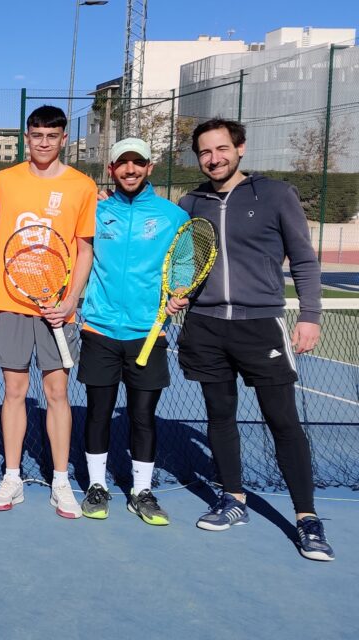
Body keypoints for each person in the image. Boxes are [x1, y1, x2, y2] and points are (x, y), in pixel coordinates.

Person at [175, 118, 333, 561]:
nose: (214, 159)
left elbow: (303, 259)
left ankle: (307, 519)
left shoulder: (276, 195)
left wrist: (310, 317)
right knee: (220, 417)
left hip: (261, 324)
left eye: (222, 149)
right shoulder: (192, 202)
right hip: (206, 326)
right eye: (205, 152)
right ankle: (233, 499)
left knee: (283, 420)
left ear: (240, 148)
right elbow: (184, 261)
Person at [0, 105, 96, 517]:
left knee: (57, 394)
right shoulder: (5, 180)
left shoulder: (82, 187)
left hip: (57, 310)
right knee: (14, 392)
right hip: (11, 304)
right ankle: (12, 477)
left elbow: (84, 249)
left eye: (52, 136)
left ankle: (61, 481)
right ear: (26, 138)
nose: (44, 143)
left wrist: (71, 300)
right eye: (37, 136)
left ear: (63, 139)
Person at [77, 138, 186, 525]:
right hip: (100, 330)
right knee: (98, 413)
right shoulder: (96, 212)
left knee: (143, 416)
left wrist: (181, 291)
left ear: (149, 167)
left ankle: (142, 491)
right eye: (122, 163)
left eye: (137, 163)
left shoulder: (172, 216)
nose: (130, 170)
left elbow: (185, 262)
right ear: (111, 169)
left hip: (147, 333)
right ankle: (96, 486)